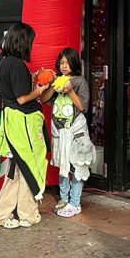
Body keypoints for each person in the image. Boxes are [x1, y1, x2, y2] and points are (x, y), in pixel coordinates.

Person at [0, 23, 50, 229]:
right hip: (24, 120)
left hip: (10, 118)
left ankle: (13, 213)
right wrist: (40, 89)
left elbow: (11, 87)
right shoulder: (17, 64)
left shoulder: (1, 59)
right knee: (29, 166)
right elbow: (23, 98)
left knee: (17, 168)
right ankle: (23, 214)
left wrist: (31, 78)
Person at [40, 48, 91, 218]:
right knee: (62, 165)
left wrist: (70, 91)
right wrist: (54, 86)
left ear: (74, 64)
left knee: (77, 166)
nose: (64, 66)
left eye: (67, 63)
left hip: (76, 132)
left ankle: (75, 203)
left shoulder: (80, 82)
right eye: (61, 63)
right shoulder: (57, 80)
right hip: (60, 133)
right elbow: (44, 99)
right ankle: (64, 198)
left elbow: (82, 106)